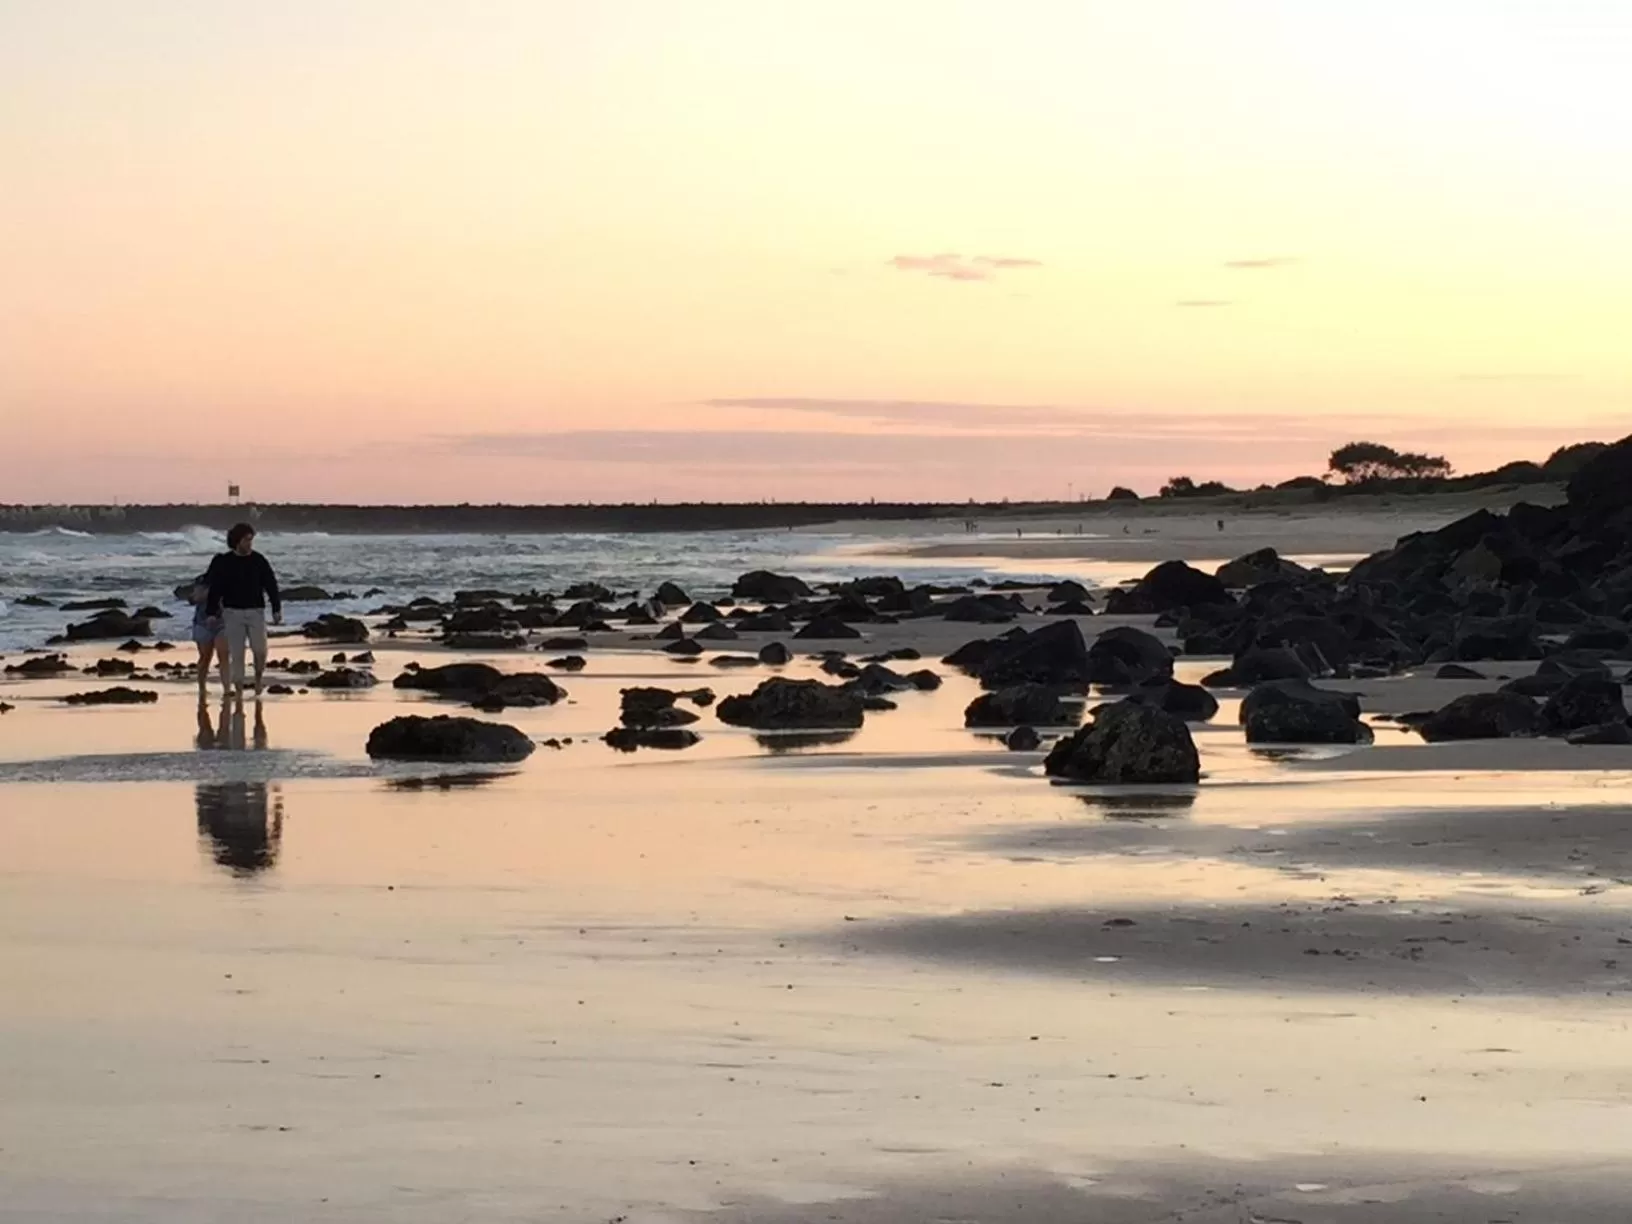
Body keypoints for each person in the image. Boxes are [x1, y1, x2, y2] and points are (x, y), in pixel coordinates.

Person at [204, 523, 282, 695]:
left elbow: (271, 584)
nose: (249, 544)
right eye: (247, 540)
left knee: (260, 650)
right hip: (232, 613)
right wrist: (210, 612)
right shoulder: (225, 562)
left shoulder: (258, 560)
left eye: (251, 540)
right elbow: (216, 589)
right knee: (237, 654)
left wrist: (276, 608)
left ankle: (258, 678)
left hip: (256, 612)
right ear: (237, 541)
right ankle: (238, 691)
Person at [188, 572, 229, 696]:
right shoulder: (201, 581)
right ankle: (202, 687)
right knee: (205, 658)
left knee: (224, 656)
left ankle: (227, 689)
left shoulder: (227, 580)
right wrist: (201, 595)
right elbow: (192, 599)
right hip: (202, 623)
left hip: (222, 623)